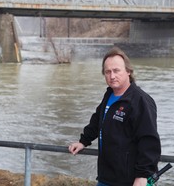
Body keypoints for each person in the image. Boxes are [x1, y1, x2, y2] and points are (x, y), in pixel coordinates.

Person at [68, 47, 161, 186]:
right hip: (106, 177)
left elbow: (149, 141)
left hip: (128, 180)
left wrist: (143, 175)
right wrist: (83, 141)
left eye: (116, 70)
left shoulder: (140, 101)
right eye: (107, 72)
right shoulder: (109, 95)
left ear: (128, 71)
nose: (112, 76)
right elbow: (98, 120)